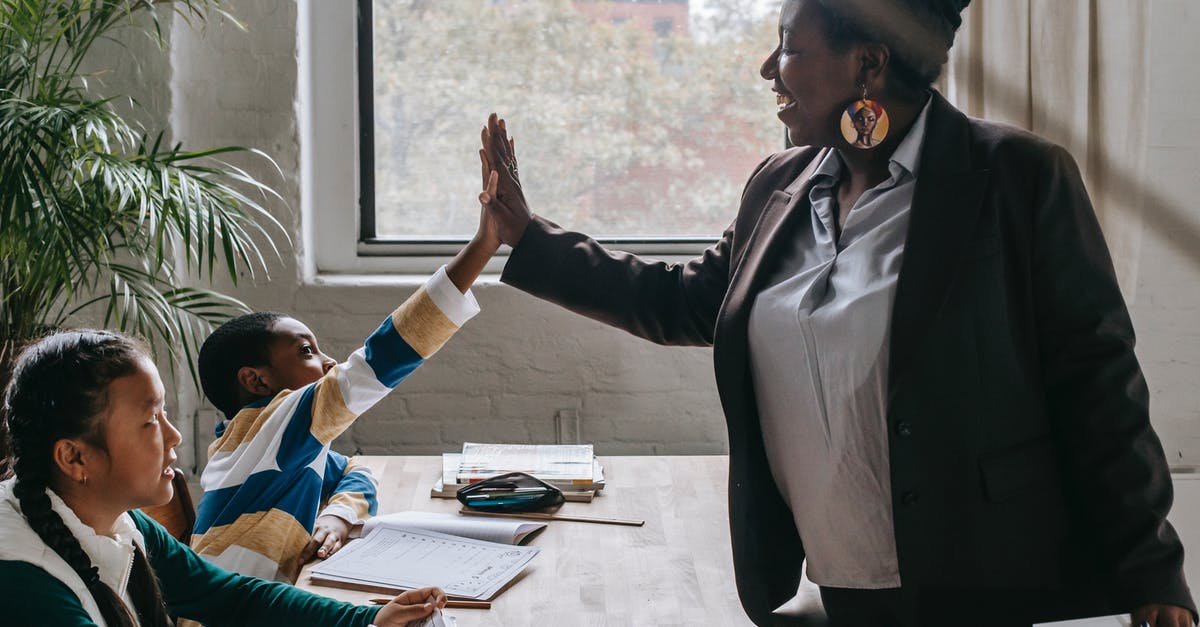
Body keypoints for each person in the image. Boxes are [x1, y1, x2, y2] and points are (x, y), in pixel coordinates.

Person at [477, 0, 1197, 625]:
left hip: (975, 580)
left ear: (869, 65)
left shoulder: (1017, 179)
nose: (769, 67)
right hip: (830, 579)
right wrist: (530, 237)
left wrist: (1152, 567)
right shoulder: (779, 185)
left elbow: (1098, 381)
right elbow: (688, 300)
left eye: (789, 44)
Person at [0, 329, 448, 626]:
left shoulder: (119, 524)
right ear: (75, 458)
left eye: (165, 413)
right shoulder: (27, 583)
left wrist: (367, 621)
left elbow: (233, 598)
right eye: (149, 421)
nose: (174, 435)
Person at [190, 165, 501, 582]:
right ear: (258, 381)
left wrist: (336, 516)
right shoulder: (272, 425)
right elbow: (381, 359)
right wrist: (483, 246)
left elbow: (355, 470)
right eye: (306, 351)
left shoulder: (268, 443)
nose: (329, 362)